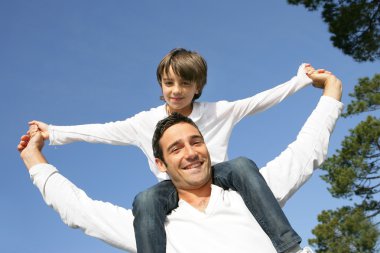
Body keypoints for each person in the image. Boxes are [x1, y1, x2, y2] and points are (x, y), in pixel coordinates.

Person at [29, 48, 320, 252]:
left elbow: (261, 101)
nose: (176, 90)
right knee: (145, 200)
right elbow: (102, 131)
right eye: (169, 83)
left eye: (185, 84)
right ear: (161, 84)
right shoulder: (144, 122)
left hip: (218, 175)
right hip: (174, 186)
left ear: (198, 87)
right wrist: (54, 132)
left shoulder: (219, 111)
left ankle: (287, 245)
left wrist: (300, 80)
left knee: (243, 165)